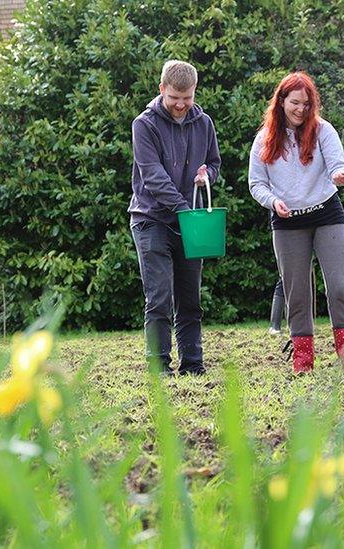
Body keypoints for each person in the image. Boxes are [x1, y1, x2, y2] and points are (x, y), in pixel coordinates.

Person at [248, 71, 344, 374]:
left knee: (338, 287)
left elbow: (339, 164)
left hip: (326, 212)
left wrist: (341, 175)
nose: (300, 110)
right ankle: (303, 361)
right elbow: (256, 183)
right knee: (297, 293)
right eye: (295, 103)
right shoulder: (264, 139)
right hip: (286, 220)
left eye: (307, 105)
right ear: (281, 101)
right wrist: (272, 201)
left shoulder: (323, 131)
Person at [129, 60, 221, 375]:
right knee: (159, 296)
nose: (181, 105)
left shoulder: (204, 123)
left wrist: (207, 173)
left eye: (187, 98)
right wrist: (183, 209)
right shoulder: (144, 124)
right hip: (151, 219)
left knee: (190, 297)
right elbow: (153, 176)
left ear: (194, 92)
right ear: (162, 90)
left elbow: (214, 162)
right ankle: (159, 367)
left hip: (190, 221)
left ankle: (193, 365)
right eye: (174, 99)